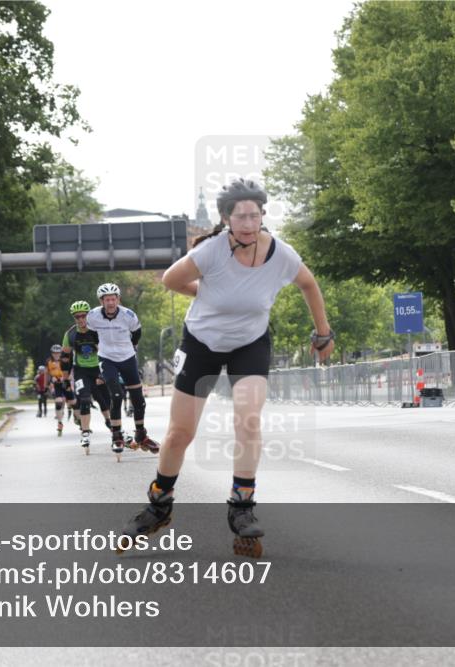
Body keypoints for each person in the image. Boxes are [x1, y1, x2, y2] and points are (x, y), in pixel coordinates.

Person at [120, 178, 334, 557]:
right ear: (226, 219)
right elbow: (171, 279)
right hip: (201, 343)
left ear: (263, 216)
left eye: (255, 215)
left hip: (249, 344)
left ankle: (242, 507)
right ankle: (159, 504)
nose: (249, 224)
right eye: (241, 217)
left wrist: (323, 334)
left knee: (248, 420)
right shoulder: (212, 251)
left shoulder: (280, 254)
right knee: (179, 434)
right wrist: (205, 292)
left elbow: (309, 285)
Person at [86, 283, 159, 455]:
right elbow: (91, 334)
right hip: (107, 358)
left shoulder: (128, 315)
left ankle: (141, 434)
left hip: (127, 357)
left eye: (113, 299)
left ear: (118, 299)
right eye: (107, 300)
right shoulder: (93, 316)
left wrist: (131, 346)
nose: (110, 303)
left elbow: (137, 333)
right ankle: (117, 436)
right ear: (101, 301)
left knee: (138, 399)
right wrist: (101, 347)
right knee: (116, 395)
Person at [61, 301, 113, 455]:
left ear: (89, 315)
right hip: (81, 370)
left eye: (84, 316)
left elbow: (107, 351)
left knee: (102, 398)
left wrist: (104, 373)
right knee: (84, 399)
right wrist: (65, 380)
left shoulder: (97, 330)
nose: (81, 320)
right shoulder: (70, 334)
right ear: (74, 318)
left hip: (98, 367)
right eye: (78, 317)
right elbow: (65, 358)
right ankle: (85, 432)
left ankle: (110, 423)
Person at [47, 344, 69, 436]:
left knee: (65, 400)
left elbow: (70, 371)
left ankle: (64, 410)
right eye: (54, 353)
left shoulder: (65, 361)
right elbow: (47, 374)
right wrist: (51, 379)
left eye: (58, 353)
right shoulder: (49, 362)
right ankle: (60, 423)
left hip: (65, 383)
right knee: (59, 401)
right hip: (56, 385)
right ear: (52, 353)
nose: (56, 355)